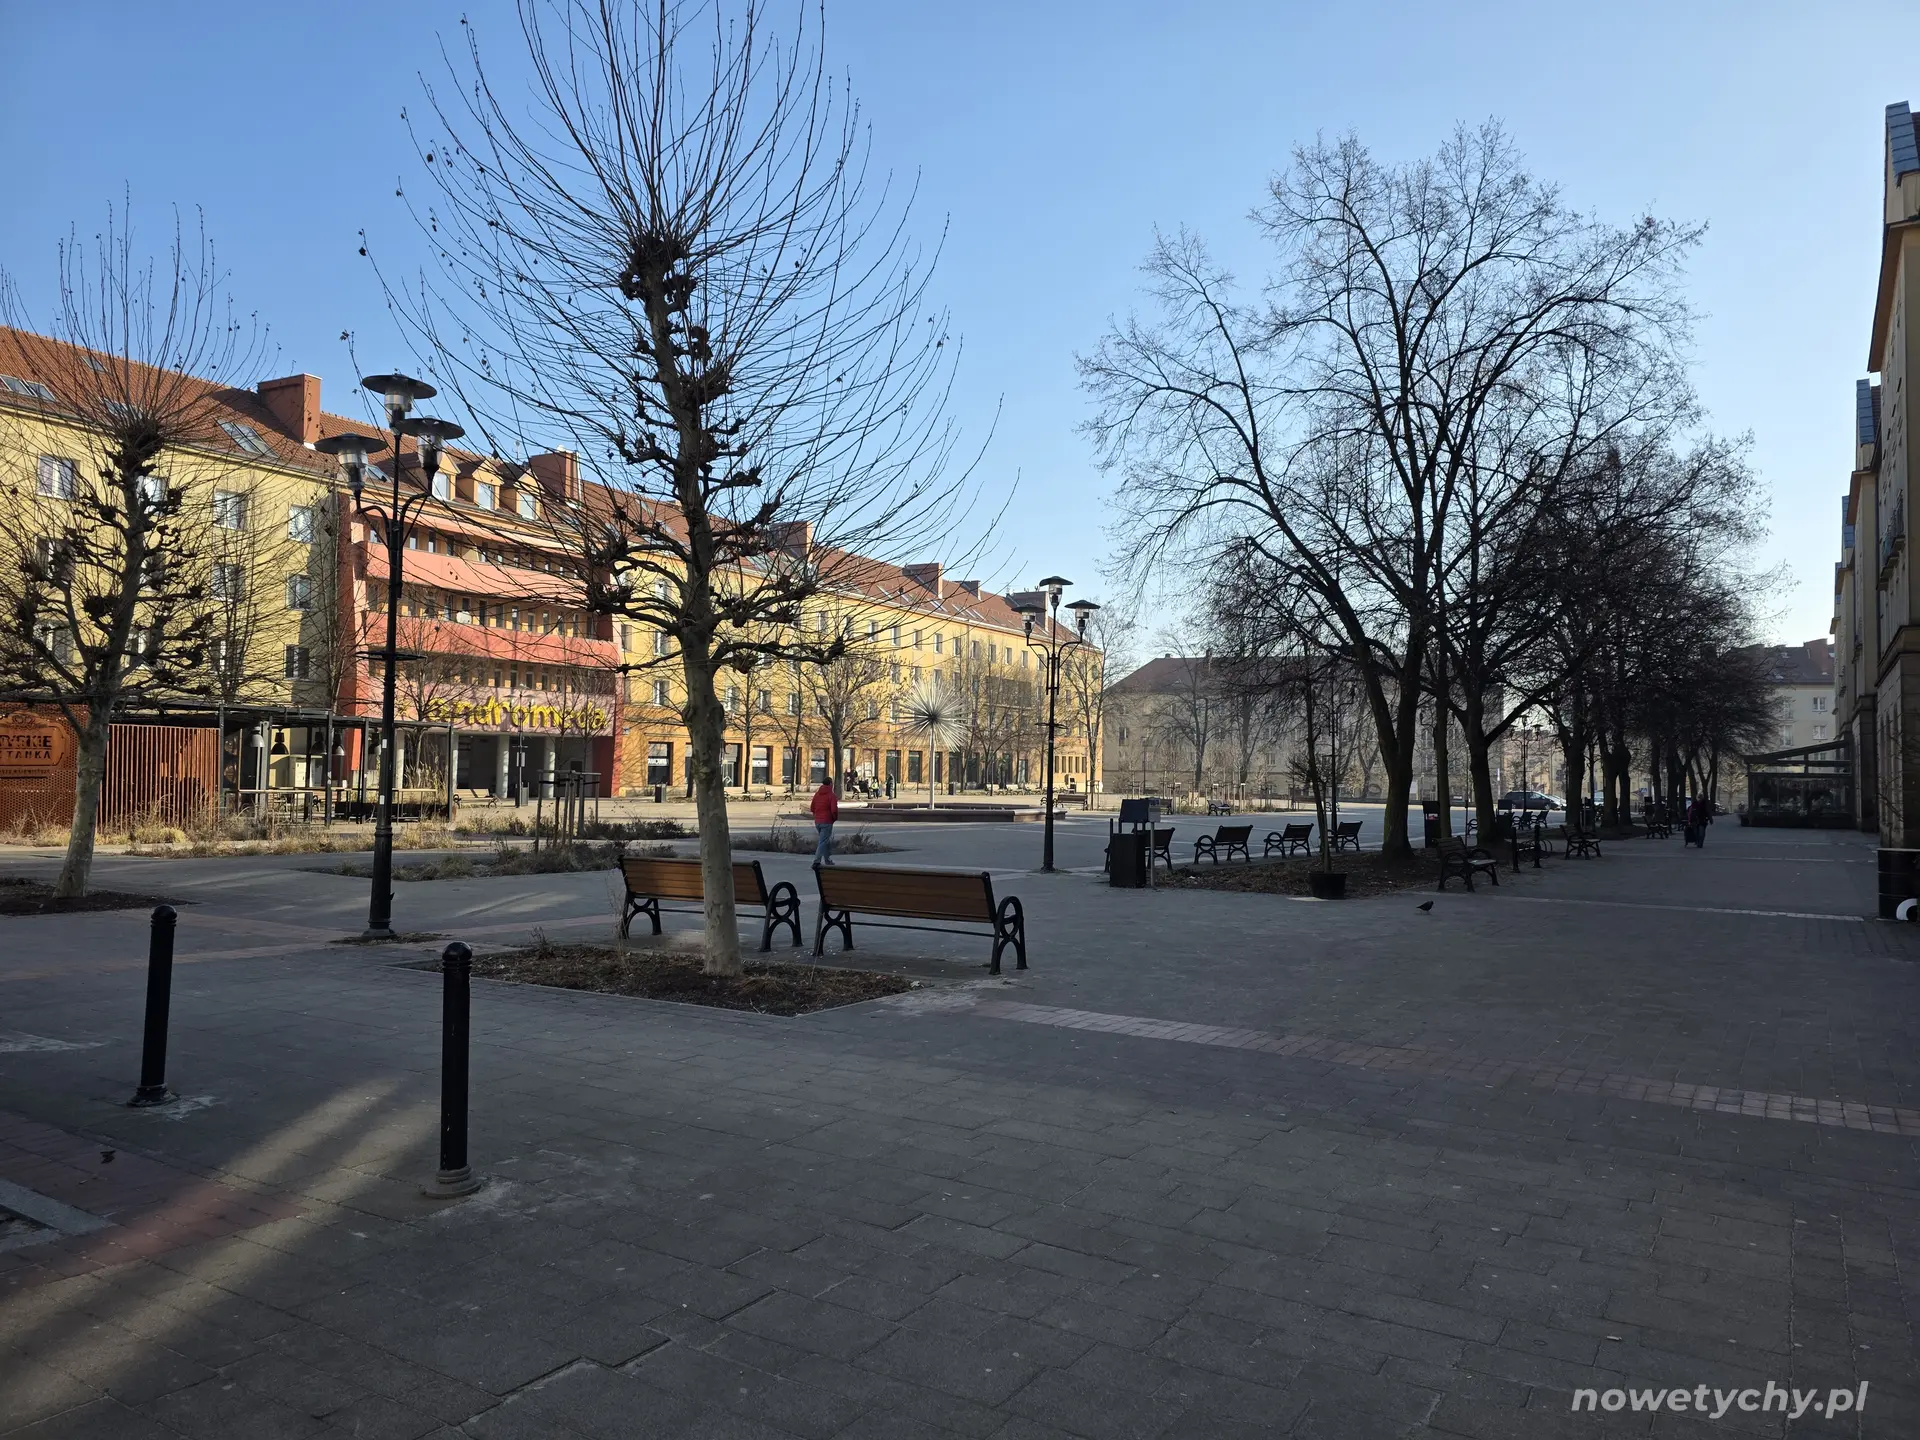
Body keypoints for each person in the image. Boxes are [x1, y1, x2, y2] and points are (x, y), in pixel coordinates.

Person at [809, 778, 839, 866]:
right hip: (827, 821)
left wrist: (817, 815)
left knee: (825, 840)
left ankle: (827, 860)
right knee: (823, 841)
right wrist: (834, 818)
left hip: (818, 821)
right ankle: (816, 861)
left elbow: (812, 808)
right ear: (830, 784)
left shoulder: (817, 794)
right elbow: (834, 810)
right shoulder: (831, 795)